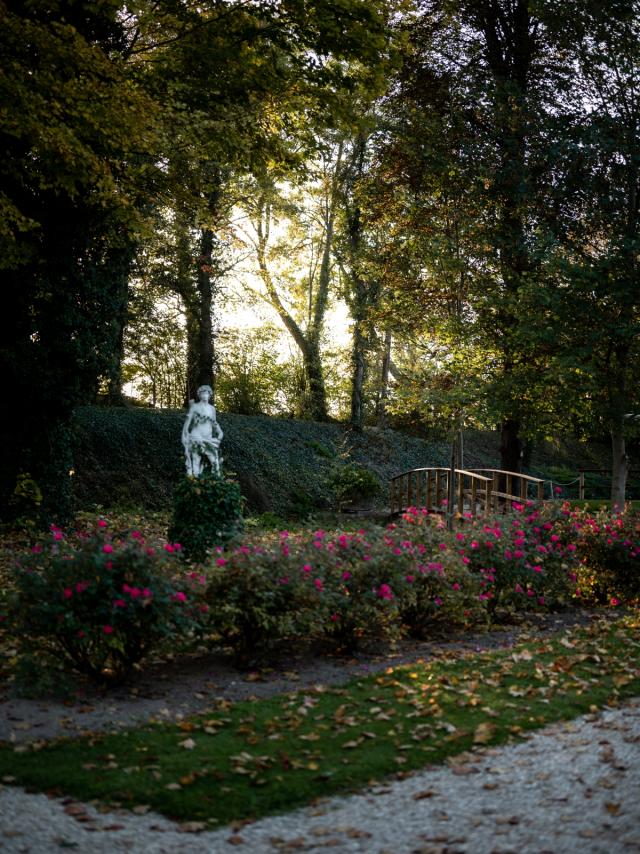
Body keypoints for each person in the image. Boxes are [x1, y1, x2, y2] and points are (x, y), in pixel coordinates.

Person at [181, 385, 223, 477]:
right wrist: (184, 436)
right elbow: (187, 423)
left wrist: (220, 431)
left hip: (208, 438)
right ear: (199, 395)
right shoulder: (195, 407)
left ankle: (216, 482)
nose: (204, 395)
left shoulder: (212, 409)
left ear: (209, 394)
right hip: (196, 437)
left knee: (214, 460)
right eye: (202, 393)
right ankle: (195, 482)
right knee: (196, 460)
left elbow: (214, 422)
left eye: (207, 393)